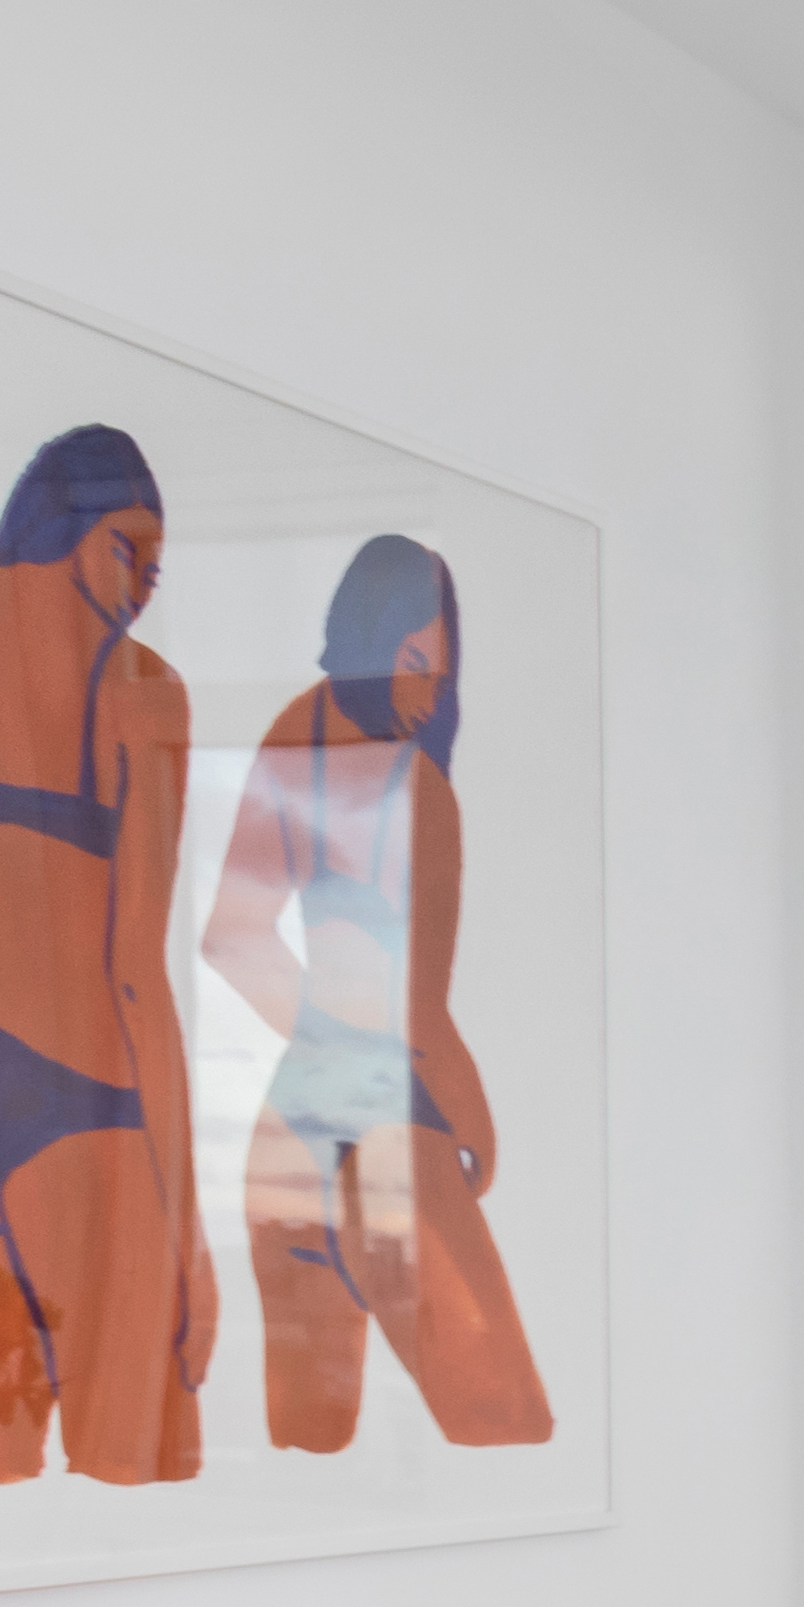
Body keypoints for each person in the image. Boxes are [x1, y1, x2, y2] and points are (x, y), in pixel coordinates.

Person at [0, 422, 210, 1490]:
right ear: (71, 526)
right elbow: (132, 967)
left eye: (159, 567)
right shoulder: (145, 685)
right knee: (127, 1494)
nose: (144, 584)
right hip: (90, 1106)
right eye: (128, 547)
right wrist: (186, 1237)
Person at [207, 535, 559, 1456]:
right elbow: (420, 1013)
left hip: (284, 1146)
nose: (425, 692)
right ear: (369, 639)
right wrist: (471, 1111)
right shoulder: (417, 784)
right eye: (413, 659)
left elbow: (231, 939)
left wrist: (326, 1040)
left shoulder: (293, 734)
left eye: (437, 673)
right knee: (509, 1435)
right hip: (390, 1132)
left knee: (309, 1472)